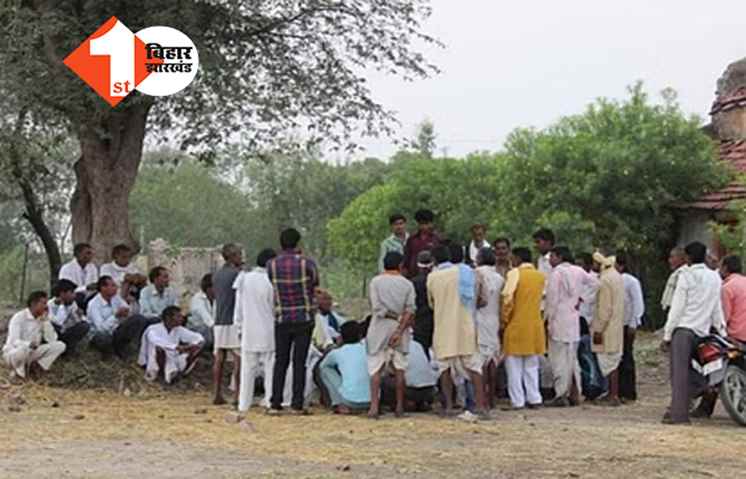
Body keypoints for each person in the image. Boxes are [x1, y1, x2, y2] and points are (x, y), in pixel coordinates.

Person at [662, 241, 727, 425]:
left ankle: (679, 415)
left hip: (683, 330)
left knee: (679, 374)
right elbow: (716, 308)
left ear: (688, 258)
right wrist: (721, 330)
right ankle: (700, 388)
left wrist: (667, 335)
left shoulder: (686, 276)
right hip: (702, 331)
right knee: (700, 369)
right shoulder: (715, 278)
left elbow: (677, 308)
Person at [427, 244, 490, 420]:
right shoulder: (468, 273)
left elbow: (432, 303)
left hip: (443, 327)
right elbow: (478, 299)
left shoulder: (433, 277)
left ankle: (448, 406)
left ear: (434, 260)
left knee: (444, 368)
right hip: (465, 326)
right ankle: (480, 406)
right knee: (474, 366)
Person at [267, 228, 320, 415]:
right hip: (303, 318)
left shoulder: (271, 265)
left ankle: (275, 403)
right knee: (300, 361)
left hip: (282, 318)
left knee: (280, 360)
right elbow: (315, 282)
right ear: (298, 243)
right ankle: (297, 404)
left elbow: (271, 284)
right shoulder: (308, 263)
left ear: (281, 243)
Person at [691, 254, 746, 418]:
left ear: (726, 268)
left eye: (721, 267)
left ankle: (705, 407)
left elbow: (723, 318)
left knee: (714, 366)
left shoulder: (727, 288)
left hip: (734, 337)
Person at [367, 251, 416, 418]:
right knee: (400, 369)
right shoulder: (407, 284)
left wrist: (393, 316)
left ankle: (374, 407)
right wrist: (399, 329)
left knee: (375, 369)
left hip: (379, 329)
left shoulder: (375, 282)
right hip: (400, 329)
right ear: (401, 265)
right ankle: (399, 407)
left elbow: (377, 308)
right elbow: (410, 310)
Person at [501, 247, 546, 410]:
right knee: (531, 366)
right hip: (534, 326)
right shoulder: (540, 276)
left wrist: (504, 319)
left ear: (518, 258)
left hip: (516, 325)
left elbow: (507, 297)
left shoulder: (514, 274)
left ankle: (518, 401)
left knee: (514, 367)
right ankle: (534, 398)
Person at [234, 248, 277, 413]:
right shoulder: (271, 281)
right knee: (269, 368)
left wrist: (238, 326)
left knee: (247, 369)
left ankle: (243, 404)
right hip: (268, 330)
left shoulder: (244, 278)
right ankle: (269, 401)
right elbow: (274, 307)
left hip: (248, 330)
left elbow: (238, 307)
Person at [543, 246, 584, 407]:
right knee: (572, 358)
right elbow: (595, 284)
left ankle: (561, 395)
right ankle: (576, 393)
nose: (550, 260)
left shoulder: (557, 273)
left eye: (552, 256)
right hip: (572, 320)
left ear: (559, 257)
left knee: (559, 359)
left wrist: (547, 319)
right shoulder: (578, 271)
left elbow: (552, 300)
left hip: (559, 320)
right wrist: (581, 299)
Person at [3, 291, 66, 380]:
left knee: (60, 345)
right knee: (23, 349)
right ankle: (18, 374)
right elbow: (14, 341)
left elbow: (52, 340)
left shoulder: (42, 319)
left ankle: (37, 368)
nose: (45, 307)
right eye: (43, 303)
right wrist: (28, 344)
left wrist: (46, 321)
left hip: (31, 353)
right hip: (14, 354)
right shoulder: (19, 317)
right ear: (33, 303)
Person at [590, 251, 625, 406]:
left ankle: (613, 395)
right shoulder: (616, 276)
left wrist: (598, 330)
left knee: (609, 362)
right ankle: (612, 394)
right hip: (616, 326)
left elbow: (604, 309)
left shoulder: (604, 280)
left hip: (607, 328)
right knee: (613, 361)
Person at [87, 276, 152, 358]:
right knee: (104, 338)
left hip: (116, 331)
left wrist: (127, 311)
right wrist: (115, 316)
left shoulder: (116, 298)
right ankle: (110, 352)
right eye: (113, 285)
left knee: (139, 319)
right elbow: (100, 328)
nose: (116, 288)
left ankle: (124, 347)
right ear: (103, 288)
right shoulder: (94, 304)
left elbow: (127, 310)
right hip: (99, 334)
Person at [138, 306, 204, 384]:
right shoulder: (153, 329)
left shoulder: (178, 329)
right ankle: (163, 375)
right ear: (168, 318)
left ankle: (177, 374)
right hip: (154, 361)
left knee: (194, 351)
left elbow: (197, 337)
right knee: (160, 349)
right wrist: (176, 347)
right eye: (178, 316)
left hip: (174, 359)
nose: (181, 318)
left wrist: (194, 345)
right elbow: (156, 340)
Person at [212, 243, 243, 406]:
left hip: (219, 320)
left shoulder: (217, 275)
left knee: (219, 357)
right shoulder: (237, 274)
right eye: (239, 255)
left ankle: (216, 393)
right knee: (239, 358)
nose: (241, 258)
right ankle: (238, 395)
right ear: (232, 257)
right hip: (233, 320)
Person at [319, 321, 371, 414]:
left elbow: (323, 365)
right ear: (360, 336)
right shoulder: (368, 349)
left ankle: (338, 403)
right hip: (373, 400)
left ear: (341, 337)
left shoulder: (337, 352)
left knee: (324, 369)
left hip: (350, 401)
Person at [474, 248, 504, 408]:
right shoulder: (499, 277)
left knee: (481, 361)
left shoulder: (477, 273)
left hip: (480, 318)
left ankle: (482, 398)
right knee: (493, 358)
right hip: (494, 319)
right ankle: (491, 397)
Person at [381, 336, 437, 412]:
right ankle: (421, 403)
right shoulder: (417, 345)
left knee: (382, 380)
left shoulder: (394, 346)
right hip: (430, 390)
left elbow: (390, 370)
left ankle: (405, 403)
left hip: (411, 391)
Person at [616, 255, 645, 402]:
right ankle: (619, 390)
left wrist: (634, 323)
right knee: (617, 358)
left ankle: (628, 392)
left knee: (627, 357)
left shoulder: (631, 281)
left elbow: (638, 303)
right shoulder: (614, 281)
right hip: (617, 324)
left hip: (627, 323)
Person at [48, 279, 90, 354]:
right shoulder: (49, 305)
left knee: (84, 326)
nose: (74, 295)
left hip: (66, 332)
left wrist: (80, 316)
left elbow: (78, 320)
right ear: (62, 293)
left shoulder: (72, 304)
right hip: (54, 334)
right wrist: (62, 306)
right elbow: (58, 322)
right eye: (72, 292)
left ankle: (69, 349)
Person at [402, 209, 441, 278]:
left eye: (426, 223)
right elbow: (406, 259)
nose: (424, 227)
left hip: (432, 275)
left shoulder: (436, 239)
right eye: (421, 224)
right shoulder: (411, 240)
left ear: (431, 223)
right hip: (414, 276)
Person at [58, 243, 99, 308]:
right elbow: (65, 289)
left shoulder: (93, 267)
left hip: (89, 297)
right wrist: (86, 288)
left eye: (91, 253)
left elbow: (94, 285)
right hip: (73, 299)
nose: (91, 256)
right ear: (78, 254)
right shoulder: (66, 268)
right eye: (88, 253)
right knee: (79, 296)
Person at [411, 250, 435, 354]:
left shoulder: (413, 282)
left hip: (419, 321)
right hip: (436, 319)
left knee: (421, 351)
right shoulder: (436, 280)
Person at [188, 273, 215, 351]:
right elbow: (207, 319)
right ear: (209, 288)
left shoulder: (216, 299)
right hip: (196, 328)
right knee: (207, 331)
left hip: (210, 329)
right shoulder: (198, 299)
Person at [660, 247, 687, 313]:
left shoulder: (683, 274)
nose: (670, 260)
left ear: (681, 259)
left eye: (672, 257)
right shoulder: (675, 274)